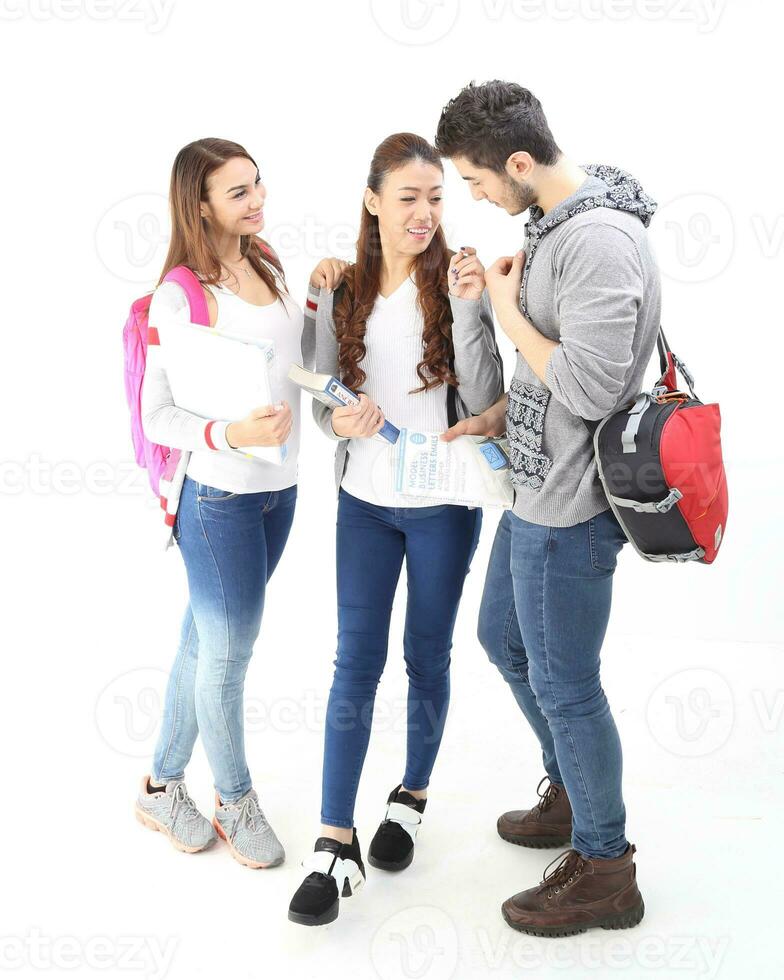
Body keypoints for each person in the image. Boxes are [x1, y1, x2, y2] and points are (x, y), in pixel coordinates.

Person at [435, 81, 661, 936]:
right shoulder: (553, 225)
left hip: (572, 509)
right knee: (503, 640)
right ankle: (571, 789)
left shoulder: (597, 241)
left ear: (520, 162)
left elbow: (597, 387)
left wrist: (499, 306)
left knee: (568, 685)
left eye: (476, 180)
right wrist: (491, 373)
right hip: (534, 484)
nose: (475, 196)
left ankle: (606, 867)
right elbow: (546, 373)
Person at [288, 132, 504, 926]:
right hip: (366, 504)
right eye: (408, 197)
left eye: (436, 198)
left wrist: (472, 306)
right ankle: (332, 842)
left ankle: (410, 796)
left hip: (444, 503)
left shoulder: (456, 279)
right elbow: (318, 398)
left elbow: (487, 395)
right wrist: (342, 415)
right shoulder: (343, 286)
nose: (424, 212)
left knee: (426, 656)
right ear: (373, 199)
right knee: (355, 662)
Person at [134, 137, 339, 870]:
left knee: (203, 643)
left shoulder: (268, 262)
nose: (257, 201)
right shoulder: (181, 294)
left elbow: (302, 363)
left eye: (258, 185)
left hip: (277, 494)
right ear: (200, 205)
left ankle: (160, 785)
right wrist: (231, 431)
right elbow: (157, 413)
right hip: (218, 499)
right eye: (238, 193)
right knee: (227, 659)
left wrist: (319, 294)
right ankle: (235, 801)